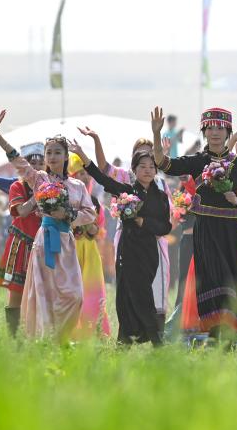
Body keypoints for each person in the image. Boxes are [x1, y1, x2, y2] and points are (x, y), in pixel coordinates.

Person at [151, 106, 237, 340]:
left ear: (228, 131)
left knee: (233, 280)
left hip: (232, 230)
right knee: (213, 279)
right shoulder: (197, 161)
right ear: (203, 131)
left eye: (220, 128)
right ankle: (217, 334)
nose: (215, 132)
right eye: (210, 128)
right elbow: (163, 163)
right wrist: (156, 134)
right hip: (207, 230)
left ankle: (231, 336)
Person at [0, 112, 97, 341]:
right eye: (49, 152)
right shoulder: (39, 179)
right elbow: (17, 161)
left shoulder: (77, 185)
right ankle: (45, 342)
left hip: (66, 242)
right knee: (44, 294)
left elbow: (91, 213)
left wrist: (68, 215)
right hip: (44, 241)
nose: (52, 156)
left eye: (57, 152)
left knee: (74, 295)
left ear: (66, 156)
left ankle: (61, 337)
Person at [71, 143, 172, 345]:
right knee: (124, 296)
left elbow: (165, 227)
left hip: (148, 253)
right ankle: (126, 341)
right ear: (134, 169)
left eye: (151, 167)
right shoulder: (126, 191)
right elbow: (102, 178)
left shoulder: (161, 197)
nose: (148, 170)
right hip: (127, 250)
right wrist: (82, 155)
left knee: (142, 293)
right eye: (142, 166)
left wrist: (144, 222)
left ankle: (155, 339)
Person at [0, 142, 45, 336]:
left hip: (43, 244)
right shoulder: (17, 186)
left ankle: (38, 336)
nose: (36, 167)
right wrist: (37, 197)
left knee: (43, 293)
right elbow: (21, 211)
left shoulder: (52, 186)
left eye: (40, 163)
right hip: (21, 244)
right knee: (16, 293)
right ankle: (14, 339)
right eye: (32, 163)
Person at [67, 154, 111, 339]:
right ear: (73, 176)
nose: (85, 177)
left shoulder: (94, 201)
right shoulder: (67, 199)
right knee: (71, 291)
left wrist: (91, 228)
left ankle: (94, 331)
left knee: (92, 291)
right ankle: (71, 333)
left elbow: (98, 230)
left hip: (90, 251)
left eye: (87, 174)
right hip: (71, 248)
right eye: (80, 173)